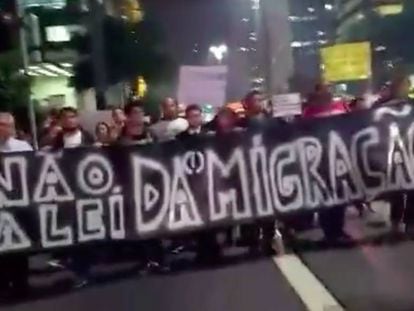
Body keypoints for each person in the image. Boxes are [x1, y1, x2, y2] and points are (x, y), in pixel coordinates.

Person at [50, 107, 94, 288]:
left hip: (88, 190)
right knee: (74, 233)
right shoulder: (58, 140)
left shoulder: (87, 137)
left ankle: (86, 268)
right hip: (68, 191)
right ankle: (80, 271)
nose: (70, 121)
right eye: (66, 118)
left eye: (72, 117)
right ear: (61, 121)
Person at [303, 87, 351, 243]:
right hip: (320, 164)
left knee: (340, 199)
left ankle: (337, 229)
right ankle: (330, 232)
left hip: (338, 162)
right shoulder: (308, 115)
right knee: (325, 199)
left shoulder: (339, 111)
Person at [375, 75, 414, 235]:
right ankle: (396, 221)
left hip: (411, 154)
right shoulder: (382, 107)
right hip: (393, 155)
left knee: (412, 191)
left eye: (405, 85)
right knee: (396, 191)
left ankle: (410, 222)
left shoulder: (411, 105)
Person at [0, 112, 32, 298]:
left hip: (19, 205)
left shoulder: (23, 147)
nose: (3, 128)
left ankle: (21, 284)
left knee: (19, 248)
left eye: (6, 125)